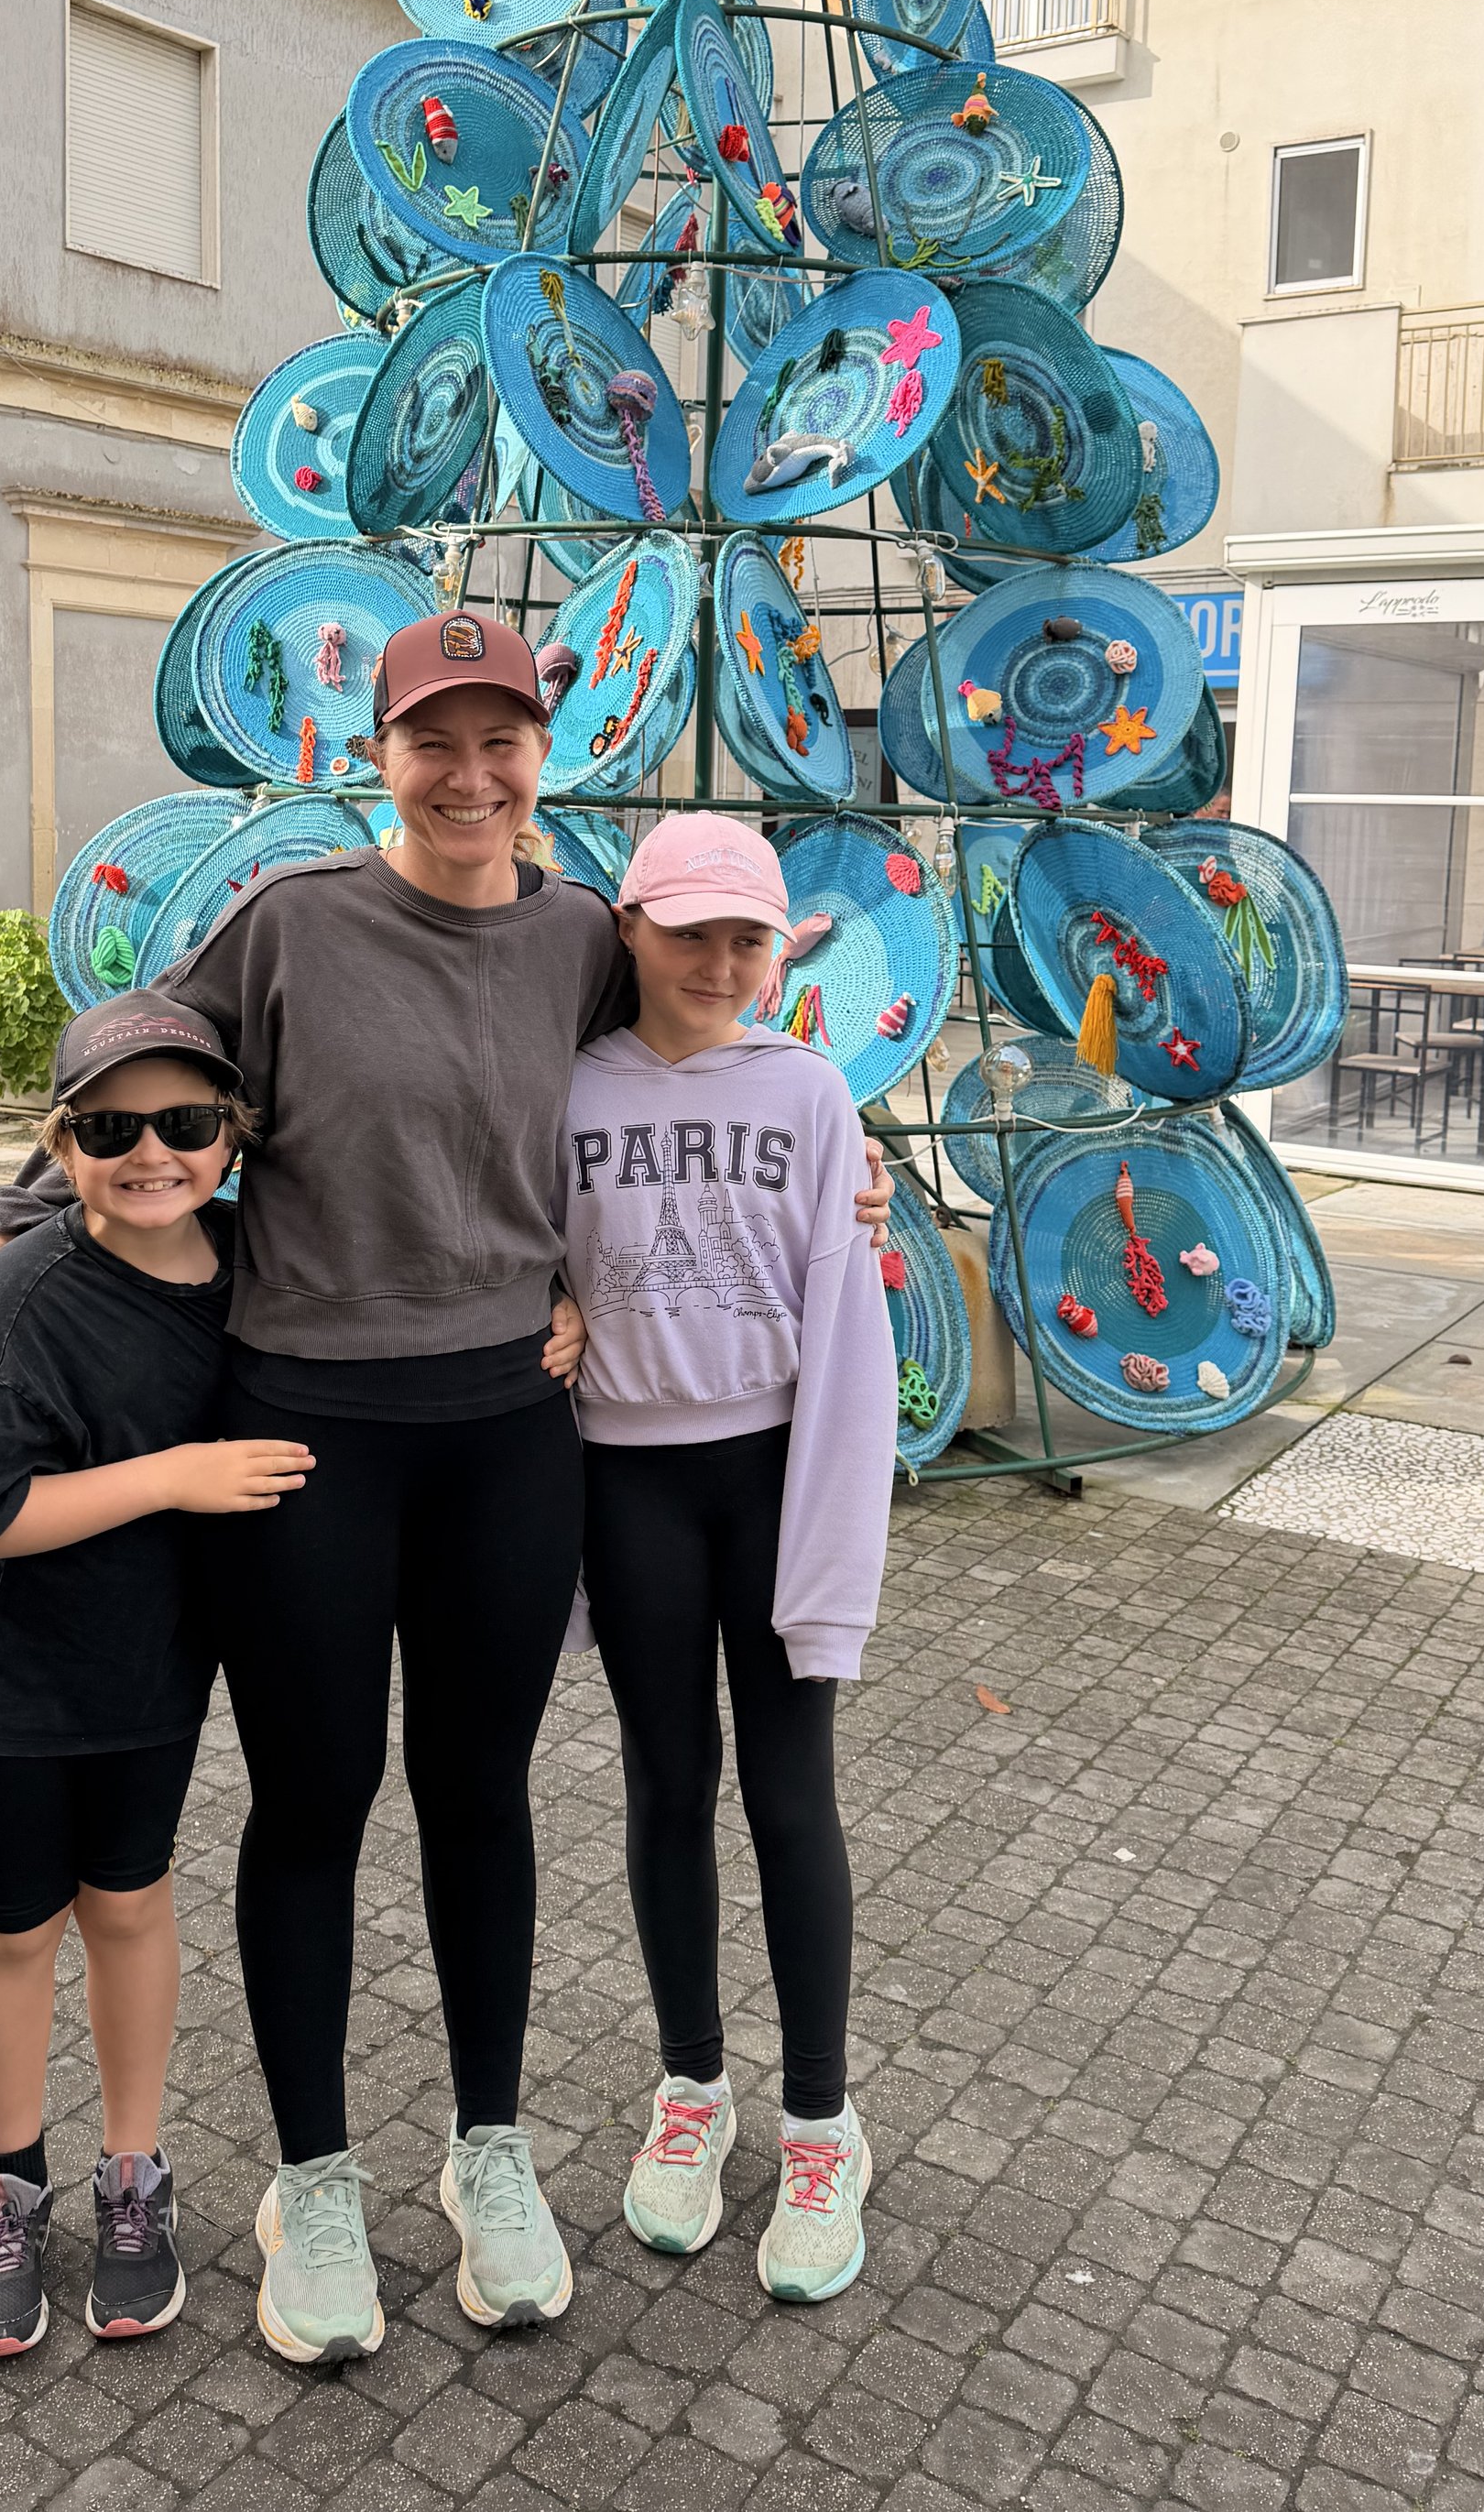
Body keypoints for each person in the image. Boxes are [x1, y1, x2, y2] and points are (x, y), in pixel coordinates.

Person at [0, 609, 891, 2367]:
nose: (468, 777)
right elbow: (136, 1067)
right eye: (431, 741)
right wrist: (13, 1228)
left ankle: (488, 2148)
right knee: (314, 1803)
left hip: (509, 1436)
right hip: (306, 1435)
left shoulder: (578, 936)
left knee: (479, 1797)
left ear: (541, 755)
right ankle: (310, 2180)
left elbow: (690, 1050)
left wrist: (842, 1166)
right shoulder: (293, 923)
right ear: (377, 755)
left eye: (499, 740)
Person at [0, 992, 309, 2360]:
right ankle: (10, 2185)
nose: (153, 1153)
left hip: (153, 1671)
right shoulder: (23, 1294)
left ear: (233, 1136)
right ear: (60, 1144)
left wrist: (561, 1308)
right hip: (9, 1676)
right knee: (18, 1926)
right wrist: (174, 1476)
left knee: (130, 1904)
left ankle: (134, 2176)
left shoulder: (258, 1261)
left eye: (187, 1122)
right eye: (111, 1129)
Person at [561, 814, 898, 2305]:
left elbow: (848, 1320)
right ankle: (692, 2085)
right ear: (628, 928)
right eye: (689, 930)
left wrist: (836, 1532)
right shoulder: (569, 1083)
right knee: (665, 1782)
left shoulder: (812, 1090)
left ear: (779, 949)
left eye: (746, 937)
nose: (717, 961)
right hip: (626, 1477)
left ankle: (822, 2120)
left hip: (770, 1474)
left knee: (789, 1792)